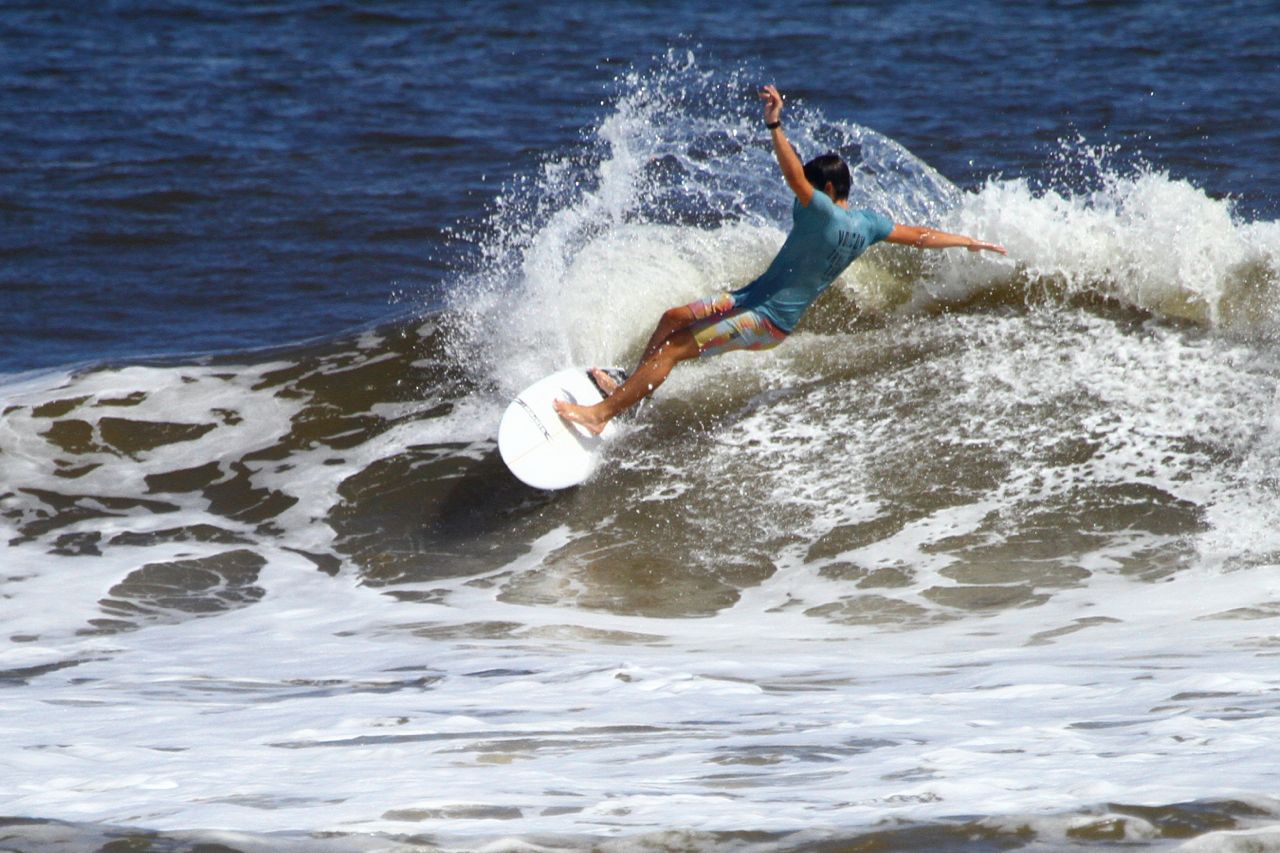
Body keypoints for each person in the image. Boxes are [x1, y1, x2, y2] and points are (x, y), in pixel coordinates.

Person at [554, 84, 1006, 435]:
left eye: (809, 189)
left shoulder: (823, 212)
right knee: (671, 318)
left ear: (827, 191)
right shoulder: (869, 224)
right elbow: (921, 236)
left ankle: (602, 414)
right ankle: (635, 390)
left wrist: (775, 125)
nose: (800, 195)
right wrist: (968, 241)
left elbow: (791, 172)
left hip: (765, 320)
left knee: (674, 348)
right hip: (750, 298)